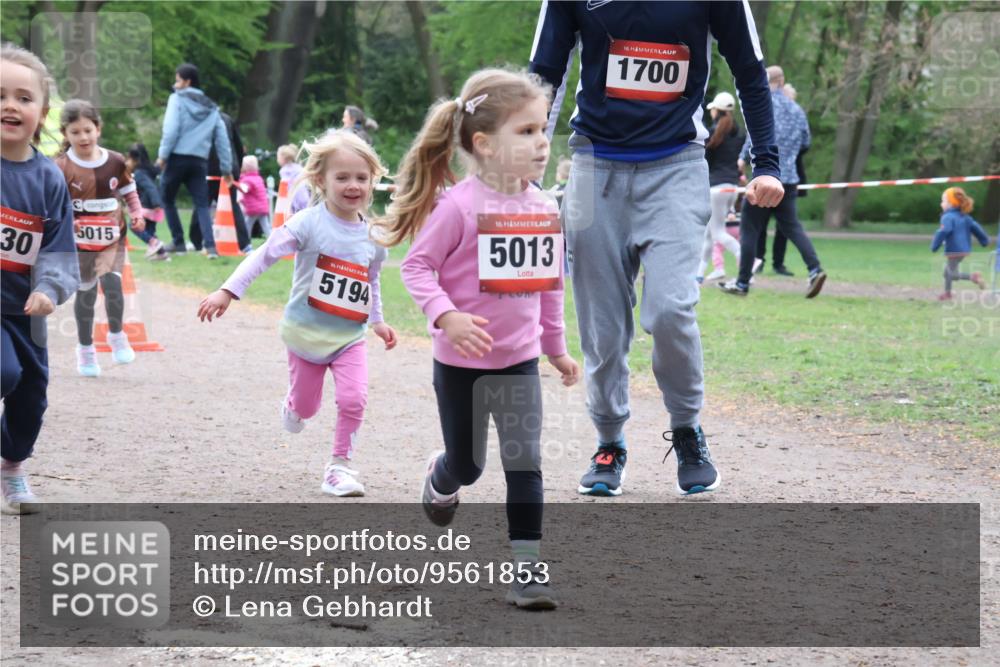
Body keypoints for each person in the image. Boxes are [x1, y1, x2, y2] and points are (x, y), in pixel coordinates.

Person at [529, 2, 785, 497]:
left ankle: (687, 429)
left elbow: (751, 72)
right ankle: (609, 443)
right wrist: (526, 172)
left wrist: (767, 164)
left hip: (677, 166)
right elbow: (545, 76)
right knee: (603, 325)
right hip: (594, 166)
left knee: (670, 309)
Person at [386, 68, 581, 610]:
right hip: (460, 363)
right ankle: (440, 477)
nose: (542, 143)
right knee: (468, 465)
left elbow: (549, 287)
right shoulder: (457, 206)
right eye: (526, 132)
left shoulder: (544, 208)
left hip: (518, 362)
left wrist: (557, 348)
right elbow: (417, 268)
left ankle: (528, 572)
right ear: (483, 144)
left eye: (544, 130)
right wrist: (446, 316)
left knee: (525, 463)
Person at [198, 130, 397, 497]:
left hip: (349, 338)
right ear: (321, 180)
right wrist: (228, 290)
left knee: (354, 399)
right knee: (306, 408)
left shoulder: (373, 237)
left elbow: (371, 282)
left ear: (373, 181)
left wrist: (377, 320)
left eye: (361, 178)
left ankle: (338, 467)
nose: (353, 185)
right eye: (342, 177)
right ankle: (293, 404)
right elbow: (264, 254)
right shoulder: (307, 222)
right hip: (305, 336)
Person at [1, 44, 80, 513]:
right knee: (3, 371)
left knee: (30, 397)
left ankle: (12, 467)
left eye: (23, 98)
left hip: (25, 311)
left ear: (43, 113)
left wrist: (49, 288)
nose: (10, 105)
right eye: (0, 95)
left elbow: (58, 248)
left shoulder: (48, 179)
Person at [55, 99, 146, 377]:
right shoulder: (61, 166)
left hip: (112, 237)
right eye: (75, 132)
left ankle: (117, 335)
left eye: (87, 130)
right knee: (86, 294)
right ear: (65, 134)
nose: (83, 137)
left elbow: (129, 190)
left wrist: (137, 213)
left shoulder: (116, 161)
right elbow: (54, 204)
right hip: (79, 241)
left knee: (113, 285)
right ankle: (85, 350)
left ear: (98, 129)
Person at [722, 65, 826, 298]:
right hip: (788, 179)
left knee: (749, 228)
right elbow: (806, 142)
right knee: (792, 227)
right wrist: (788, 157)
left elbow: (754, 136)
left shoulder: (763, 105)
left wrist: (742, 159)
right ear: (783, 81)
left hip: (764, 177)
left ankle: (742, 282)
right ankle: (814, 269)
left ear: (767, 81)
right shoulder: (797, 109)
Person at [156, 63, 233, 258]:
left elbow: (171, 130)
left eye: (178, 80)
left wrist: (163, 156)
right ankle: (211, 247)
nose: (175, 84)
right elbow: (222, 140)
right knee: (201, 204)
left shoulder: (176, 99)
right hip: (199, 161)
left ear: (187, 81)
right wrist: (227, 169)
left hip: (176, 158)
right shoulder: (212, 107)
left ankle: (178, 241)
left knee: (166, 197)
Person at [188, 110, 251, 254]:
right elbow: (239, 146)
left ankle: (196, 242)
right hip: (229, 169)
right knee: (232, 206)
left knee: (201, 204)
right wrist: (237, 168)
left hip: (208, 169)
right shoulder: (227, 118)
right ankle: (245, 245)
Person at [697, 91, 744, 283]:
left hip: (716, 188)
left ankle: (747, 260)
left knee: (718, 233)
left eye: (713, 109)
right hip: (733, 188)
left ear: (717, 110)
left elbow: (705, 161)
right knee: (709, 234)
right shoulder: (738, 133)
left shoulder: (713, 134)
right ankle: (698, 275)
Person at [931, 187, 989, 300]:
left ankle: (973, 278)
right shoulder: (965, 217)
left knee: (949, 274)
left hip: (954, 249)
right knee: (950, 272)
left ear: (950, 203)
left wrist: (935, 245)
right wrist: (984, 240)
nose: (941, 203)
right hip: (964, 249)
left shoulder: (947, 217)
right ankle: (948, 293)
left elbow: (944, 230)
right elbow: (976, 227)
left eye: (943, 201)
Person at [125, 143, 169, 261]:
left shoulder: (139, 174)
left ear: (134, 159)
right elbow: (158, 169)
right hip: (153, 207)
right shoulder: (150, 170)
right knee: (149, 231)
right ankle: (162, 254)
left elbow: (150, 188)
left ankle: (154, 243)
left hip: (148, 207)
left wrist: (156, 203)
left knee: (134, 225)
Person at [238, 155, 270, 240]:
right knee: (266, 226)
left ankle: (245, 241)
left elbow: (245, 189)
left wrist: (236, 185)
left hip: (253, 209)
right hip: (263, 207)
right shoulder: (258, 178)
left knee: (247, 225)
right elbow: (255, 194)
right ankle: (271, 240)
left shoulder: (247, 180)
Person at [277, 143, 311, 218]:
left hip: (294, 202)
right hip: (305, 200)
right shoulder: (299, 169)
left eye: (278, 157)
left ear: (283, 158)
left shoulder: (285, 172)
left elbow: (285, 191)